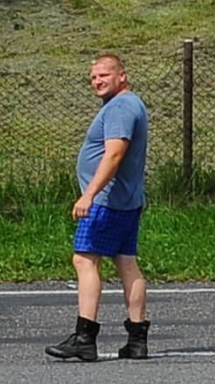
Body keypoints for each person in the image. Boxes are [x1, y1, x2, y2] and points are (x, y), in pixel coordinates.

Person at [46, 53, 150, 363]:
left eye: (104, 75)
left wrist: (89, 194)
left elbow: (114, 156)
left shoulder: (119, 108)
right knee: (126, 262)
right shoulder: (130, 104)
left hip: (107, 201)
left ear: (122, 75)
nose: (97, 81)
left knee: (84, 259)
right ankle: (136, 339)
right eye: (93, 77)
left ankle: (84, 337)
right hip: (126, 200)